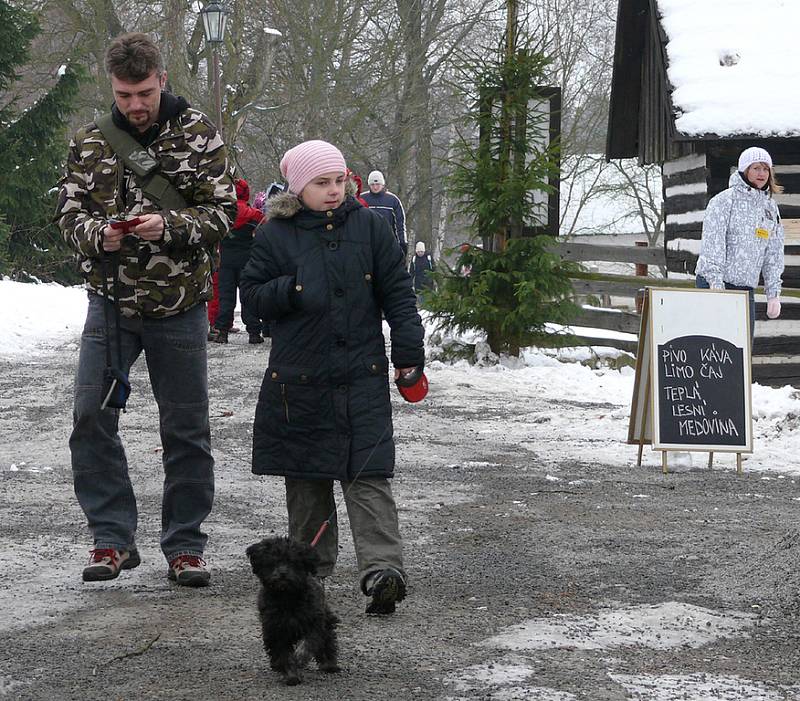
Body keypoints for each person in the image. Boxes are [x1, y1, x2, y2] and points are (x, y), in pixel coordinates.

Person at [55, 32, 236, 587]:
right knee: (91, 418)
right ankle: (111, 539)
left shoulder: (200, 134)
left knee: (185, 428)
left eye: (143, 93)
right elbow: (67, 214)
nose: (135, 105)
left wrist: (173, 226)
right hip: (109, 305)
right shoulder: (90, 142)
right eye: (124, 94)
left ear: (162, 79)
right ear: (113, 88)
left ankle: (185, 546)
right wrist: (95, 233)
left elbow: (226, 213)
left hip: (179, 306)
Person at [240, 140, 425, 615]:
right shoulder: (274, 234)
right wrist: (294, 288)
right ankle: (307, 577)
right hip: (298, 382)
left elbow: (399, 295)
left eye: (340, 180)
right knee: (307, 483)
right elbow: (253, 297)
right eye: (322, 183)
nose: (334, 191)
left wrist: (408, 354)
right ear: (299, 187)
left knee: (369, 477)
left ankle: (383, 571)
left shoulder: (372, 227)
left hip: (361, 376)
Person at [695, 146, 784, 342]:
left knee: (741, 348)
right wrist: (715, 284)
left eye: (765, 169)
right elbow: (713, 243)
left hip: (745, 288)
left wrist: (773, 293)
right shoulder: (724, 201)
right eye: (756, 168)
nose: (761, 173)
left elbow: (773, 252)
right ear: (745, 170)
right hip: (716, 283)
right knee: (714, 347)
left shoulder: (770, 207)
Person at [210, 178, 265, 344]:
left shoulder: (222, 214)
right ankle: (254, 333)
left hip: (225, 261)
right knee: (248, 297)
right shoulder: (256, 215)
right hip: (248, 260)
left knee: (226, 297)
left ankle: (222, 332)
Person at [359, 170, 408, 256]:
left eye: (377, 184)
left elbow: (400, 224)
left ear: (383, 184)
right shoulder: (361, 199)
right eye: (372, 184)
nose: (375, 187)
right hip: (366, 243)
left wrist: (402, 243)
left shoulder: (393, 200)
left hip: (388, 243)